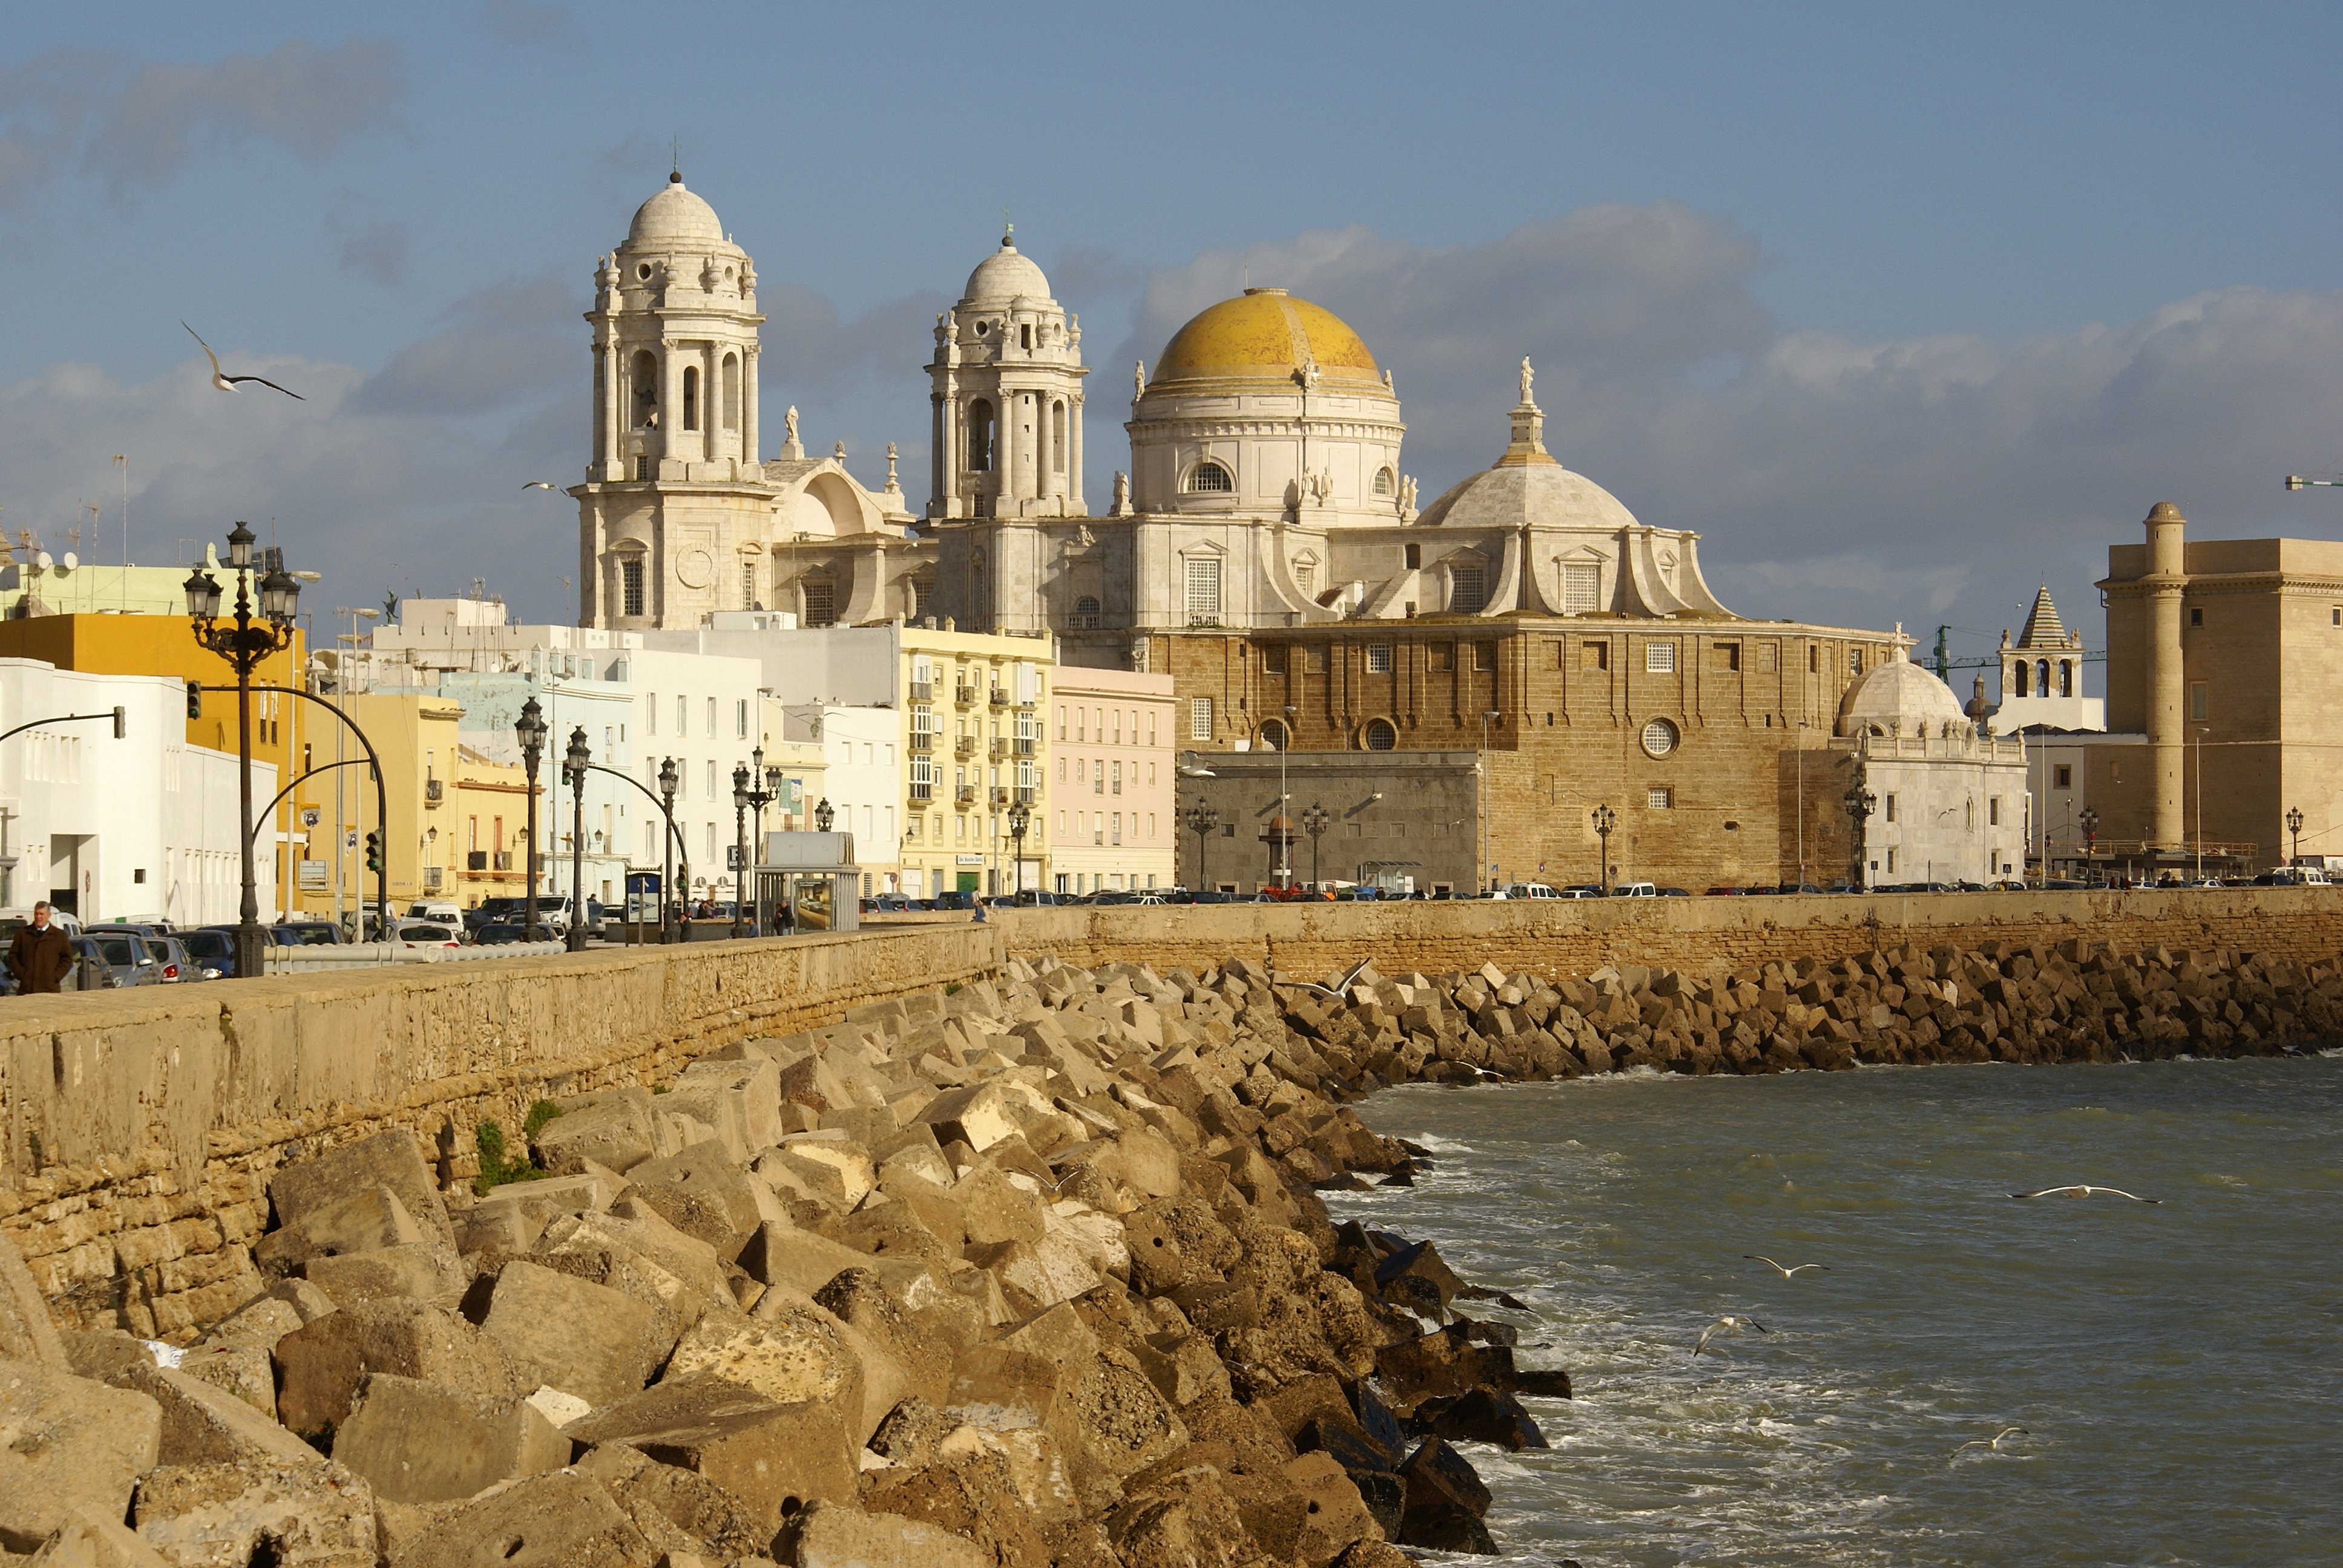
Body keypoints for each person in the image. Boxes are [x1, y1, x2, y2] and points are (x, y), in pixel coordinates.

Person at [8, 902, 76, 995]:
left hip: (50, 989)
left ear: (49, 915)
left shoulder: (59, 935)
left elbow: (67, 959)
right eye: (36, 914)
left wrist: (55, 976)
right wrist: (21, 974)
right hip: (27, 990)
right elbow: (13, 955)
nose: (38, 917)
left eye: (41, 914)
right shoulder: (23, 934)